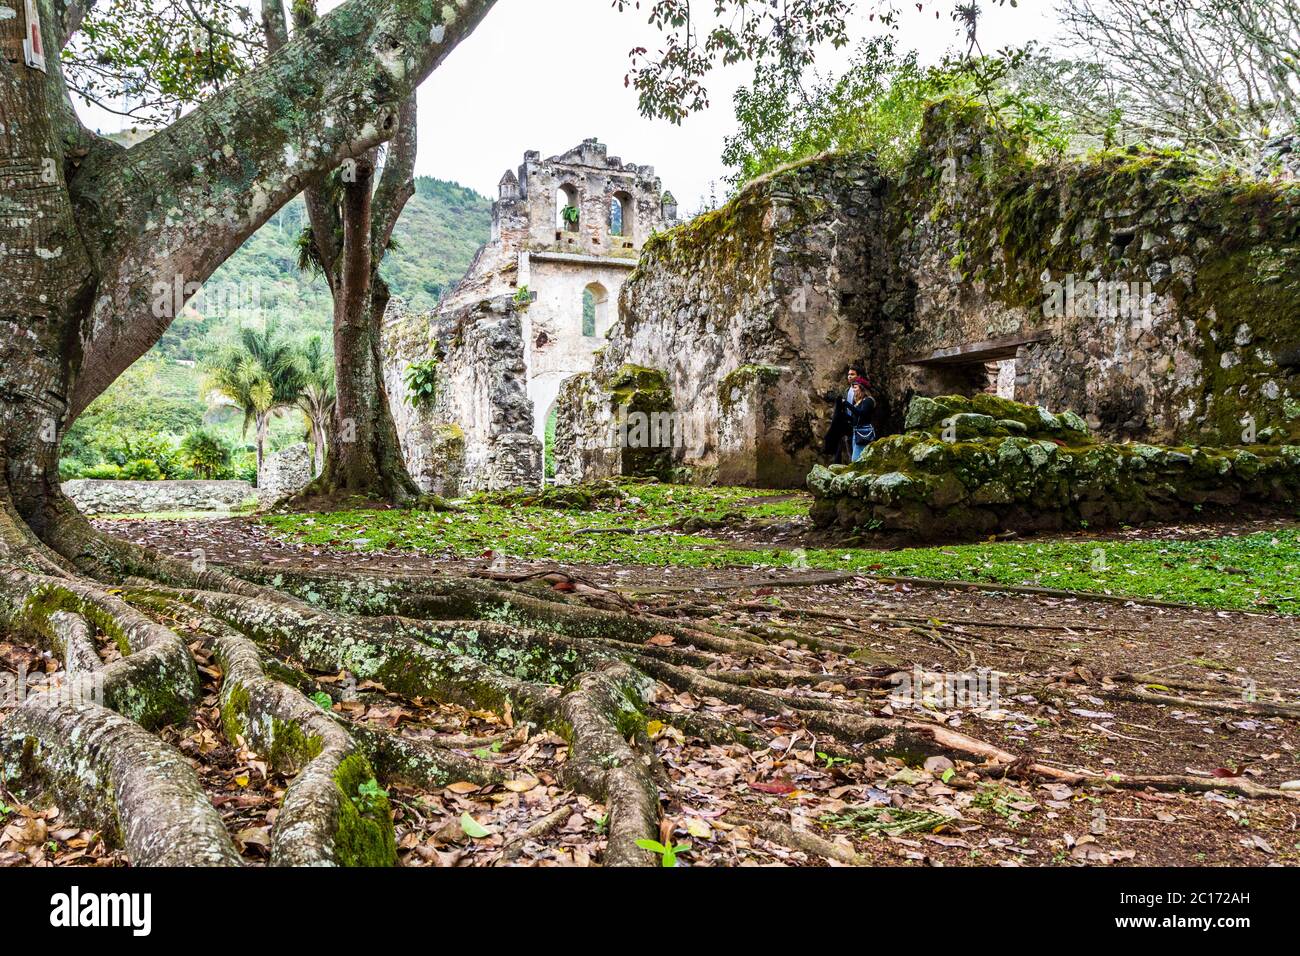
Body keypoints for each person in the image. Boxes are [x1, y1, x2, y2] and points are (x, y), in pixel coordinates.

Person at [822, 364, 867, 464]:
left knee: (854, 449)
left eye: (852, 374)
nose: (849, 376)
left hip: (857, 424)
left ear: (859, 376)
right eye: (848, 374)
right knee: (842, 443)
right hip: (848, 422)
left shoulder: (862, 391)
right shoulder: (847, 390)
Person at [847, 377, 876, 462]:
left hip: (864, 431)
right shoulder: (859, 402)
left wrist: (847, 404)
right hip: (857, 431)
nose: (853, 390)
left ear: (862, 389)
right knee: (857, 458)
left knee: (856, 459)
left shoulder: (868, 401)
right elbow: (855, 417)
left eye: (855, 387)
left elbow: (861, 413)